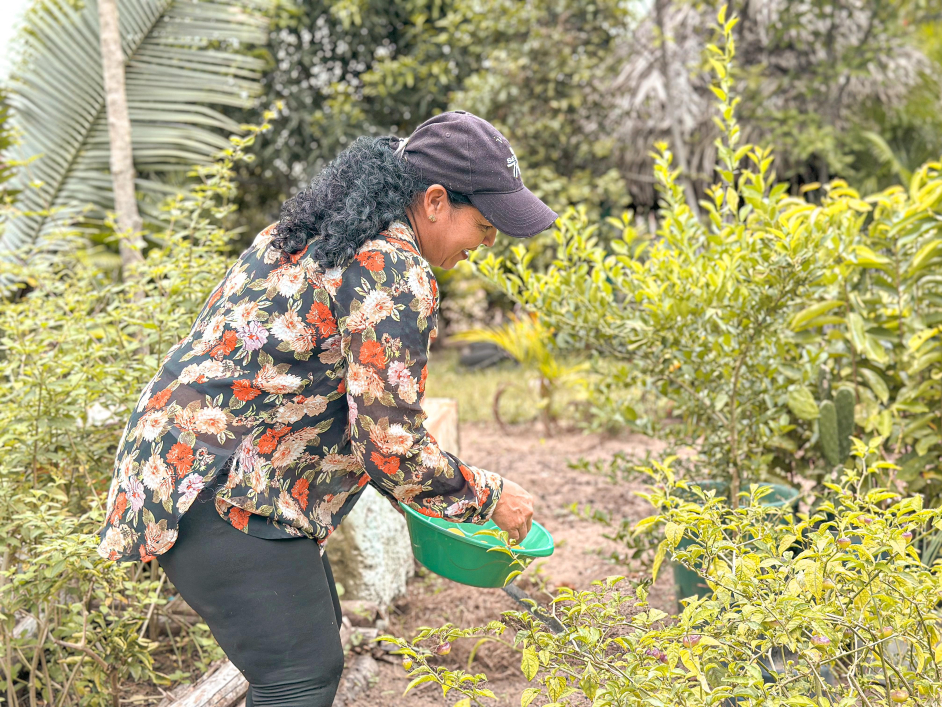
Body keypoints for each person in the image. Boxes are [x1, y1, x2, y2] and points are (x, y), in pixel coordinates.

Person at [96, 110, 557, 706]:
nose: (488, 242)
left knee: (310, 654)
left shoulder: (326, 232)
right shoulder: (394, 268)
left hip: (184, 465)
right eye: (486, 223)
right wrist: (490, 496)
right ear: (437, 200)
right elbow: (389, 445)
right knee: (299, 675)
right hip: (221, 489)